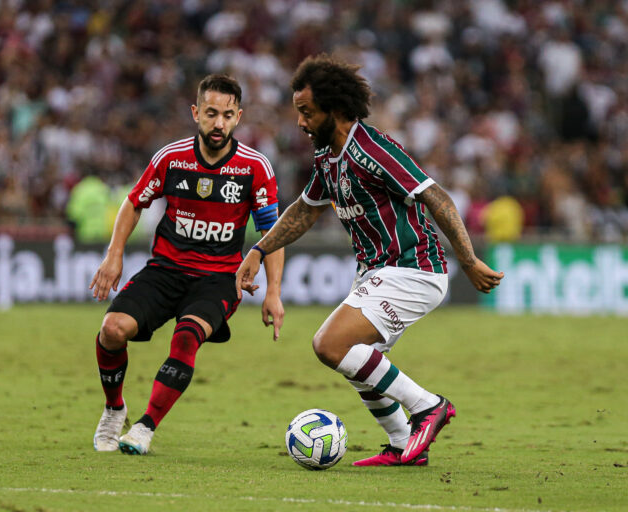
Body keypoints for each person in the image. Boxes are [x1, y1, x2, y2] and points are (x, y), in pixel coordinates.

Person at [236, 55, 503, 467]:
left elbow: (437, 197)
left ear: (336, 110)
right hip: (378, 272)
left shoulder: (373, 149)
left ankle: (429, 407)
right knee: (358, 360)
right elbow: (305, 211)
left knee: (330, 344)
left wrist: (467, 260)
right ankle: (402, 446)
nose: (301, 123)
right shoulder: (327, 158)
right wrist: (259, 249)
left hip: (414, 268)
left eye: (307, 113)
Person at [90, 74, 284, 455]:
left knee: (187, 335)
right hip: (165, 271)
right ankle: (115, 410)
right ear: (196, 112)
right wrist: (114, 255)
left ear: (239, 117)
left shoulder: (254, 167)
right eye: (211, 113)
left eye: (227, 115)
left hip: (219, 279)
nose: (219, 123)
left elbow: (272, 232)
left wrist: (273, 291)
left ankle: (145, 427)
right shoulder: (171, 158)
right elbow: (133, 203)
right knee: (113, 329)